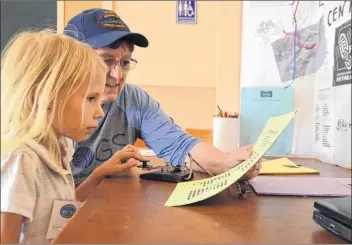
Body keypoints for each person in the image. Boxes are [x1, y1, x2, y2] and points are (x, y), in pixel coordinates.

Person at [64, 8, 262, 189]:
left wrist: (227, 163)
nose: (117, 75)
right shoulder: (51, 108)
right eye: (107, 61)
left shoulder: (132, 98)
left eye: (125, 62)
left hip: (111, 210)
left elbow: (179, 144)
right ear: (73, 59)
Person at [0, 29, 148, 244]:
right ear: (46, 97)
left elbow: (62, 211)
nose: (99, 112)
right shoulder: (21, 160)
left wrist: (99, 174)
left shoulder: (58, 147)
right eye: (90, 98)